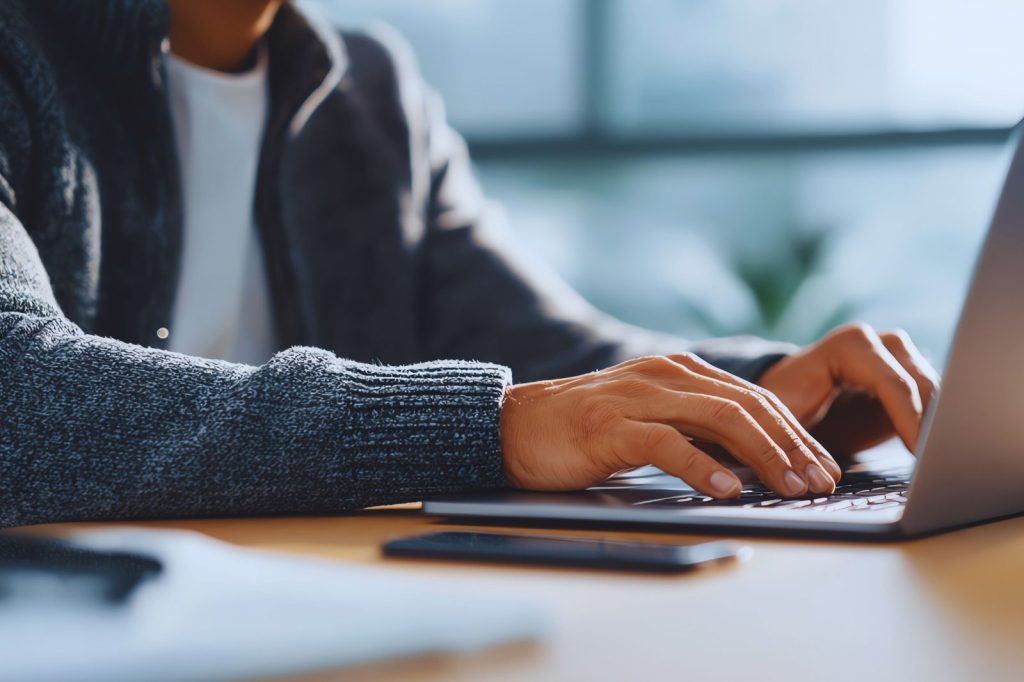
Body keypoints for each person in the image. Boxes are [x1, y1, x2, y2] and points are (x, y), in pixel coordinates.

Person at [0, 0, 939, 528]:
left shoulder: (370, 92)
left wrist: (759, 391)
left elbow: (542, 349)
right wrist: (486, 426)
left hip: (325, 612)